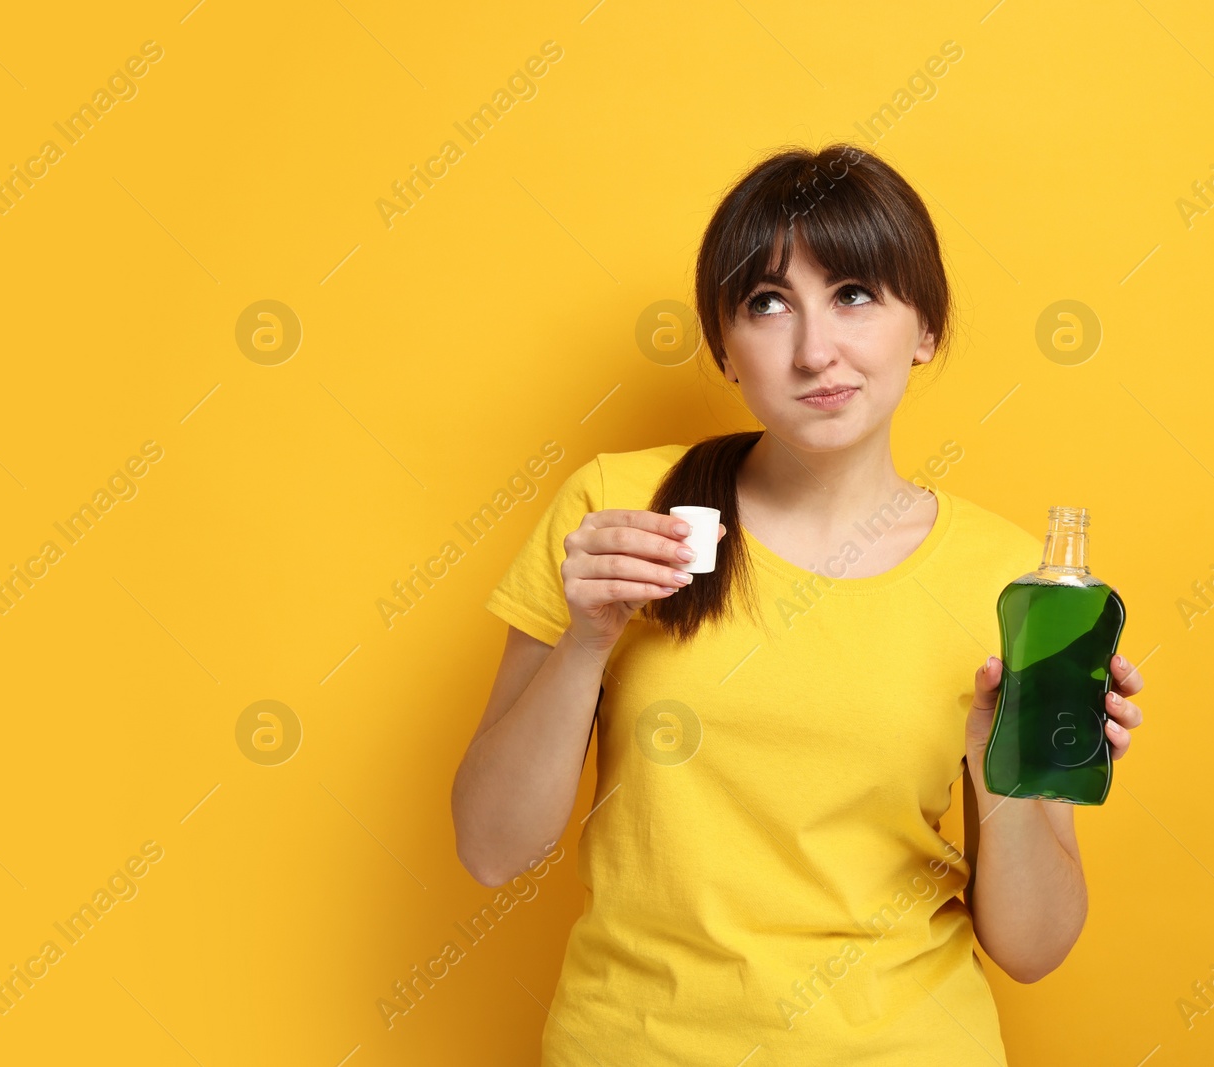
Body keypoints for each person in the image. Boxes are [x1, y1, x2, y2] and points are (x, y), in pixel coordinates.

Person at [449, 143, 1146, 1066]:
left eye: (855, 293)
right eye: (769, 304)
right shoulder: (620, 516)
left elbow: (1032, 947)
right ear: (725, 351)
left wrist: (1001, 761)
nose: (817, 350)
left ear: (925, 327)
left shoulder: (1013, 581)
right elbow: (492, 847)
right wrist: (586, 641)